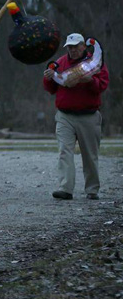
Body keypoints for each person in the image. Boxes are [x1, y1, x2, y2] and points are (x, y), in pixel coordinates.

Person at [43, 33, 109, 200]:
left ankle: (92, 190)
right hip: (65, 115)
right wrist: (48, 79)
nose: (72, 50)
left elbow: (102, 85)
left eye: (76, 46)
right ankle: (65, 188)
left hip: (89, 115)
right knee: (64, 152)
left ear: (83, 46)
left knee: (90, 156)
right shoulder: (60, 63)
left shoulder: (95, 62)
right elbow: (51, 89)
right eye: (70, 47)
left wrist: (90, 81)